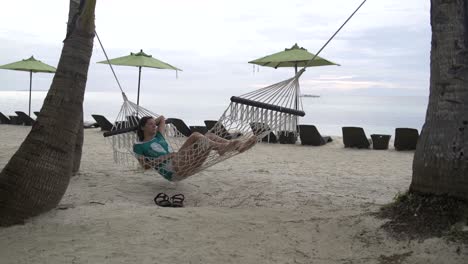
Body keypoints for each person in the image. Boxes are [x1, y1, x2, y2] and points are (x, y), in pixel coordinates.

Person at [133, 116, 256, 181]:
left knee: (209, 136)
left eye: (154, 124)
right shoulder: (138, 146)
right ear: (142, 128)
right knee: (196, 136)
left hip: (183, 162)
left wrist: (150, 123)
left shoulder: (158, 135)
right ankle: (225, 147)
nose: (154, 126)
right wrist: (167, 156)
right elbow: (145, 166)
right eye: (150, 124)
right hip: (173, 170)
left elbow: (162, 118)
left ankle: (239, 146)